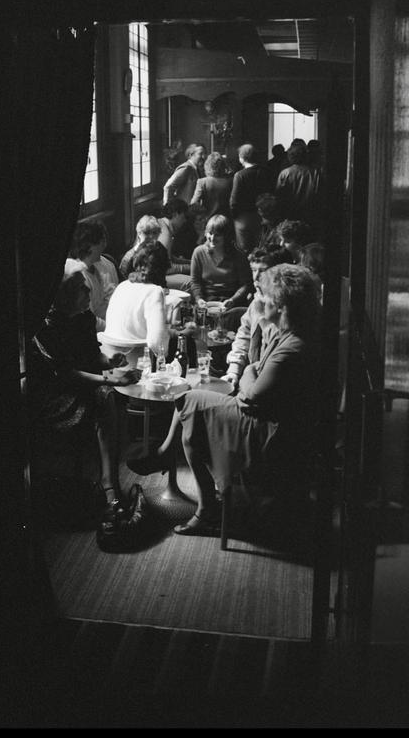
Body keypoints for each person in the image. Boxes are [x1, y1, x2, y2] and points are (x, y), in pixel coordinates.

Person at [128, 263, 322, 535]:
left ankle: (199, 498)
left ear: (281, 305)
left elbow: (251, 395)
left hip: (268, 433)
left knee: (189, 403)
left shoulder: (292, 347)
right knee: (191, 406)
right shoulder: (291, 332)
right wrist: (248, 372)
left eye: (263, 296)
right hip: (271, 420)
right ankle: (199, 499)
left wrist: (248, 373)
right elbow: (253, 373)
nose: (258, 300)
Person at [28, 261, 142, 518]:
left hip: (85, 382)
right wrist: (110, 379)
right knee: (107, 396)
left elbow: (94, 356)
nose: (88, 293)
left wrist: (110, 363)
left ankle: (109, 479)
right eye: (81, 289)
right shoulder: (44, 327)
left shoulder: (84, 317)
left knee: (110, 395)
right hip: (56, 394)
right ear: (64, 296)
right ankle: (109, 484)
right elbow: (66, 374)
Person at [102, 242, 196, 361]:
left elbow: (137, 329)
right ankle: (197, 375)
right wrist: (182, 336)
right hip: (140, 362)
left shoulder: (122, 287)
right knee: (187, 343)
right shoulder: (154, 291)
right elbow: (157, 344)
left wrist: (174, 333)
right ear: (163, 268)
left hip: (113, 358)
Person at [222, 246, 290, 390]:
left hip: (271, 386)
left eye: (263, 271)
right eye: (254, 270)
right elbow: (244, 335)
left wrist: (262, 314)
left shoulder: (285, 308)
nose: (256, 276)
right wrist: (233, 371)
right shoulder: (256, 301)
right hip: (249, 378)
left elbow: (277, 344)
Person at [189, 214, 252, 310]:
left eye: (217, 235)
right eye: (210, 233)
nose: (212, 238)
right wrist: (199, 299)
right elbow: (195, 282)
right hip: (207, 300)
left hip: (231, 300)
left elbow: (245, 285)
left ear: (226, 236)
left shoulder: (238, 256)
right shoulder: (199, 252)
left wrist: (233, 300)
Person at [68, 221, 118, 331]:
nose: (105, 244)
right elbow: (89, 318)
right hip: (98, 332)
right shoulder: (79, 276)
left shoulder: (97, 268)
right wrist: (112, 328)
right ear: (90, 245)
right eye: (101, 241)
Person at [229, 143, 273, 253]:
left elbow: (234, 200)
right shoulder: (266, 172)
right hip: (263, 216)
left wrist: (234, 216)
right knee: (262, 250)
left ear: (242, 157)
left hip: (244, 218)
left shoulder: (240, 175)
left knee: (244, 252)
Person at [190, 151, 233, 242]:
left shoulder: (202, 182)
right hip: (227, 221)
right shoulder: (230, 182)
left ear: (207, 166)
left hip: (209, 222)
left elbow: (194, 204)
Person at [275, 143, 314, 223]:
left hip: (290, 214)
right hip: (310, 213)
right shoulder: (315, 173)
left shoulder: (285, 173)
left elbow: (279, 195)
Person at [118, 214, 162, 280]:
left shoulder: (157, 251)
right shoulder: (128, 258)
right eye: (147, 233)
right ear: (139, 233)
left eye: (154, 233)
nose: (151, 237)